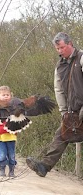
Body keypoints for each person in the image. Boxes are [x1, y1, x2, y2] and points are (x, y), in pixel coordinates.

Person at [26, 32, 83, 177]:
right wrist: (64, 111)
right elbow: (58, 89)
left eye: (62, 47)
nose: (60, 51)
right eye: (57, 49)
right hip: (73, 110)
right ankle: (44, 166)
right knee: (61, 135)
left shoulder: (81, 58)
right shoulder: (60, 66)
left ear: (70, 44)